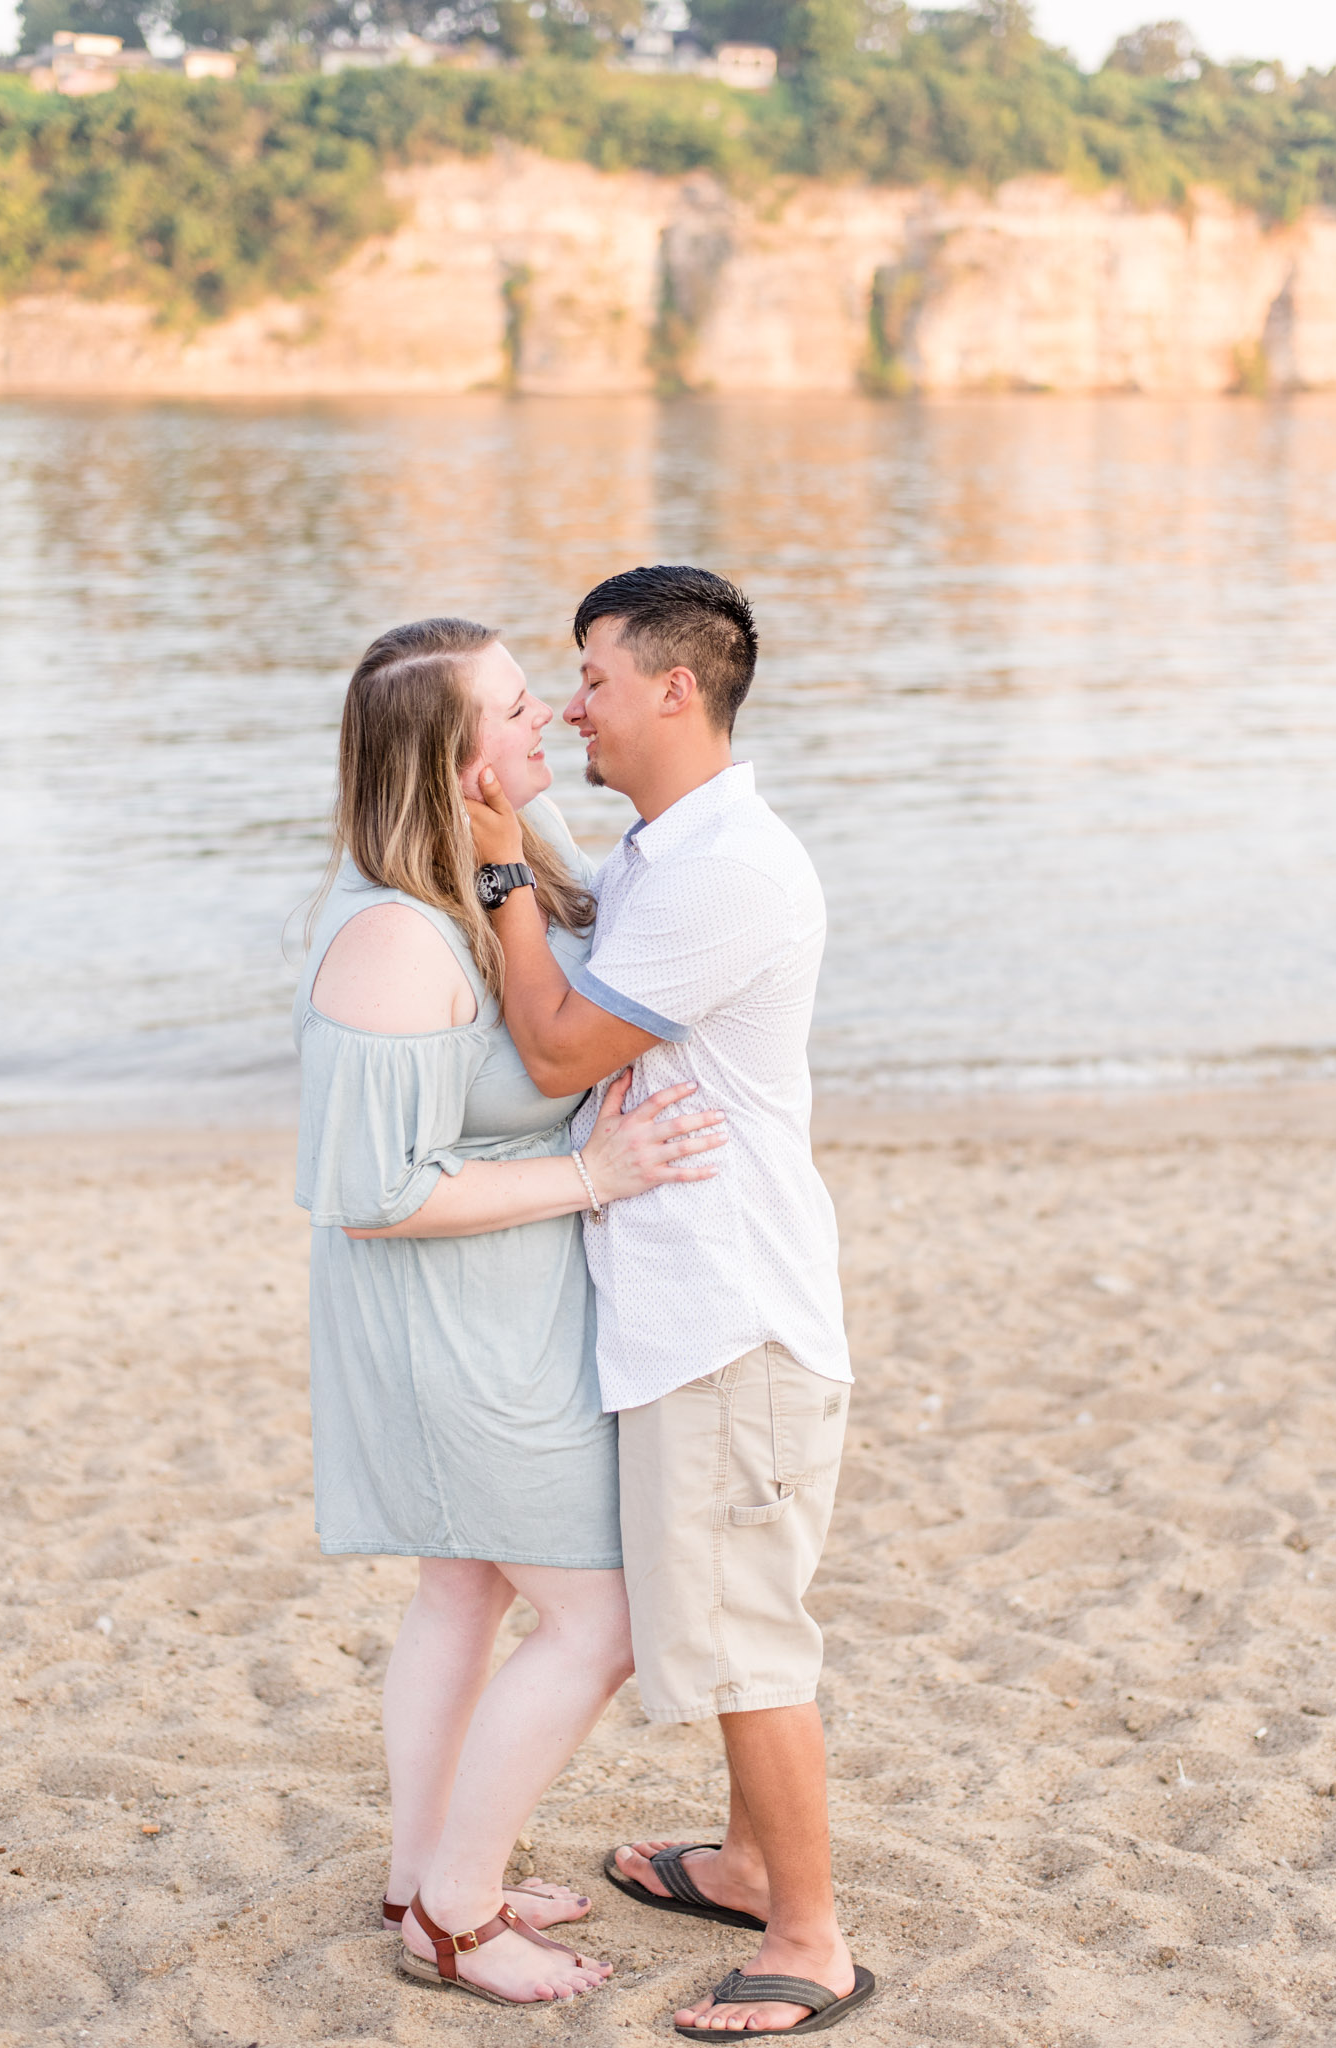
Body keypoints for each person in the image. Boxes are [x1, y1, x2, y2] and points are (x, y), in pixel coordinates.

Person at [292, 616, 728, 2009]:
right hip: (447, 1333)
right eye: (517, 707)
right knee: (598, 1621)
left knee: (464, 1589)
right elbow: (372, 1193)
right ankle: (458, 1920)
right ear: (450, 757)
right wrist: (594, 1174)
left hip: (503, 1314)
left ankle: (426, 1871)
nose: (547, 721)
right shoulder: (392, 942)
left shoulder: (493, 882)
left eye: (547, 698)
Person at [466, 566, 875, 2037]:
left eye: (588, 676)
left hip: (731, 1323)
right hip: (693, 1311)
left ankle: (810, 1938)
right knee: (715, 1616)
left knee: (748, 1636)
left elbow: (567, 1050)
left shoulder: (727, 872)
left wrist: (504, 872)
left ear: (673, 689)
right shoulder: (664, 850)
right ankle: (751, 1859)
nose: (573, 705)